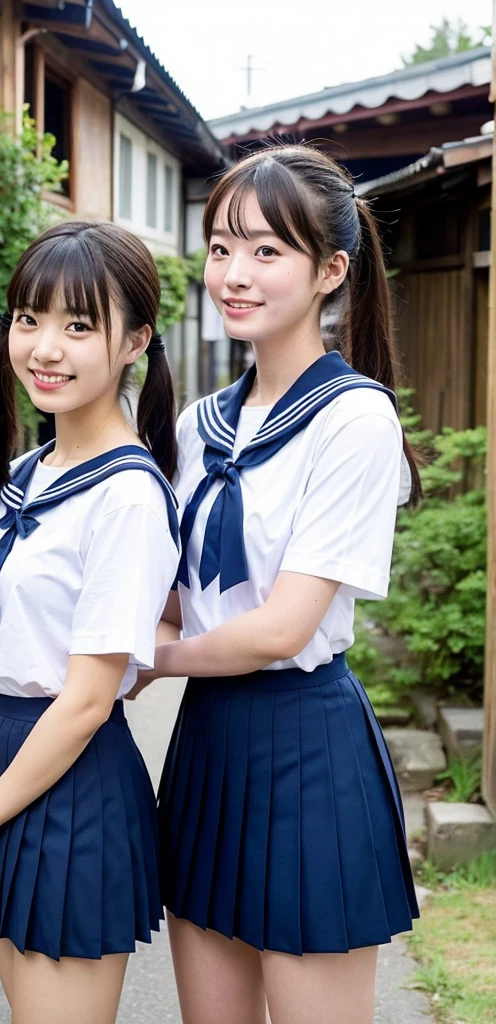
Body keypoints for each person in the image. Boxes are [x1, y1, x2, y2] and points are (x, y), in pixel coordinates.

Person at [148, 146, 421, 1024]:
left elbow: (279, 626)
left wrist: (152, 660)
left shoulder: (354, 420)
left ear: (330, 270)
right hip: (207, 745)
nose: (234, 273)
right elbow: (187, 592)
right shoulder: (200, 424)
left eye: (267, 251)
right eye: (223, 246)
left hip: (308, 750)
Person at [0, 221, 180, 1024]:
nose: (45, 346)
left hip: (71, 785)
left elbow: (87, 700)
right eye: (30, 319)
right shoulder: (29, 472)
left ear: (135, 340)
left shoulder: (129, 497)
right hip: (7, 760)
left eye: (79, 325)